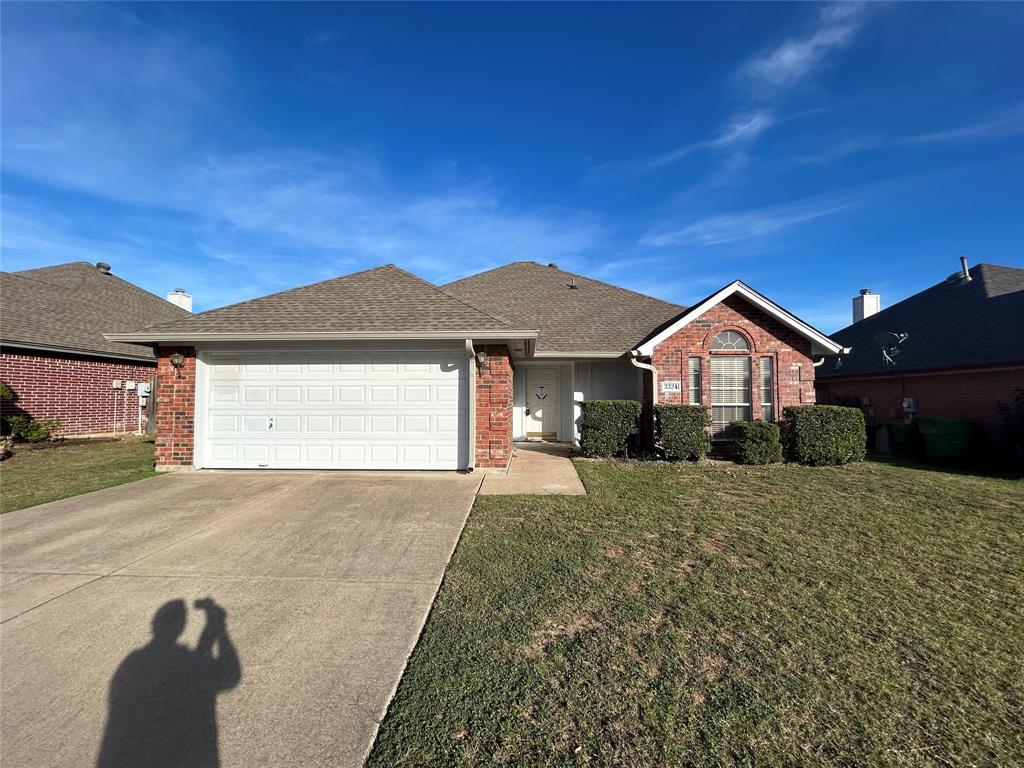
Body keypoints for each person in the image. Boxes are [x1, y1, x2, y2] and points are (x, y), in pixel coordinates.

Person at [96, 597, 241, 768]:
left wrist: (212, 627)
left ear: (155, 625)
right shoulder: (183, 662)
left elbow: (199, 661)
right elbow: (228, 675)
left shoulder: (133, 663)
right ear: (180, 625)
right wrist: (219, 628)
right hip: (187, 756)